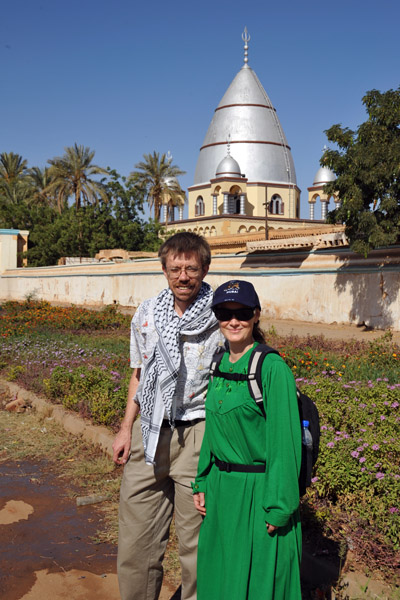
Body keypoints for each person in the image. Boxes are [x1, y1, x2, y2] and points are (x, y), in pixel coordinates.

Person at [112, 232, 224, 600]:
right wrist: (125, 428)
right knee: (136, 540)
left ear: (205, 269)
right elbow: (139, 372)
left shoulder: (223, 315)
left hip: (198, 434)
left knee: (195, 543)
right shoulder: (147, 313)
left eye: (191, 268)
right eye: (175, 268)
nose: (183, 276)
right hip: (151, 430)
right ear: (163, 270)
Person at [193, 280, 302, 600]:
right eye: (224, 313)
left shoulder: (272, 368)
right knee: (221, 580)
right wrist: (201, 480)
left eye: (241, 312)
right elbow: (212, 428)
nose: (233, 320)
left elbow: (285, 442)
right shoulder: (218, 362)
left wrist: (280, 506)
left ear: (256, 315)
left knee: (259, 584)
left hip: (259, 496)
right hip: (221, 493)